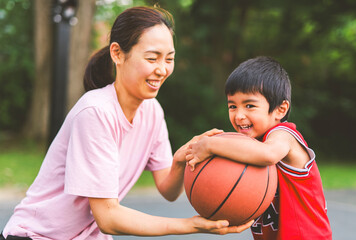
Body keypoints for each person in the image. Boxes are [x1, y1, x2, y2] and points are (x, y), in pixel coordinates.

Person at [1, 6, 253, 240]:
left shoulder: (152, 111)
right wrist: (191, 225)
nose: (162, 69)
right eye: (152, 58)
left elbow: (168, 189)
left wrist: (179, 160)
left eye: (169, 58)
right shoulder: (96, 112)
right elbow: (108, 218)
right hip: (35, 236)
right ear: (117, 54)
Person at [186, 56, 332, 239]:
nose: (239, 115)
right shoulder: (252, 147)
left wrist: (210, 145)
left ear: (280, 109)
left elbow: (269, 154)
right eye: (232, 106)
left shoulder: (283, 135)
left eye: (249, 105)